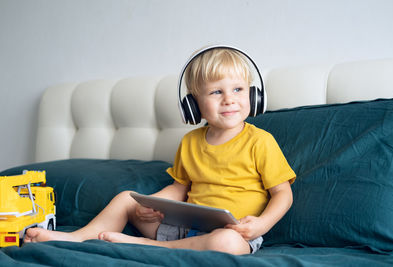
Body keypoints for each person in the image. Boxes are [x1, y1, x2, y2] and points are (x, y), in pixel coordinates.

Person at [24, 46, 296, 255]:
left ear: (254, 95)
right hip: (184, 227)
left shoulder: (260, 141)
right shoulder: (191, 142)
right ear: (193, 104)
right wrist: (151, 205)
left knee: (226, 243)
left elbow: (282, 193)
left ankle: (145, 246)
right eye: (216, 92)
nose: (229, 99)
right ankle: (79, 236)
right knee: (127, 199)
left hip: (234, 231)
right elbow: (179, 189)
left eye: (238, 89)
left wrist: (261, 225)